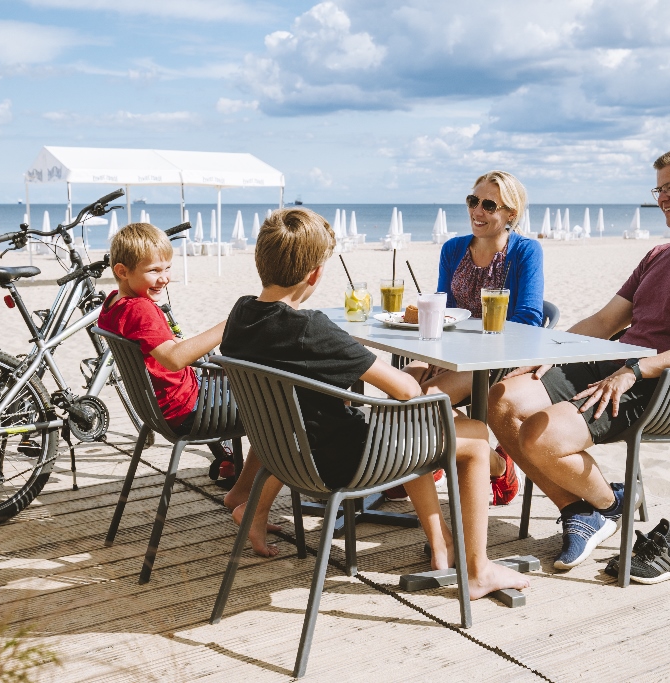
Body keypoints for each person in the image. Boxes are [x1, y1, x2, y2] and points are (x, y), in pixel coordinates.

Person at [220, 207, 529, 598]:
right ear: (315, 274)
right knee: (474, 434)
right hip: (341, 465)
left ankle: (442, 543)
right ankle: (479, 569)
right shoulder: (310, 329)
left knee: (404, 425)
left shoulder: (240, 313)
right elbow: (404, 390)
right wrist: (418, 381)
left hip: (287, 455)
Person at [487, 147, 670, 573]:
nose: (662, 198)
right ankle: (594, 506)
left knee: (540, 434)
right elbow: (606, 320)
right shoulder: (658, 254)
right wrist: (549, 351)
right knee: (502, 398)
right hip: (616, 364)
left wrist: (635, 370)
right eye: (659, 188)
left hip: (665, 385)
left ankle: (606, 502)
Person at [398, 171, 545, 506]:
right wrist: (430, 353)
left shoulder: (525, 252)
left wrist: (458, 343)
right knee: (400, 388)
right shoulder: (453, 249)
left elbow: (529, 319)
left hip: (497, 356)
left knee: (425, 400)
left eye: (488, 204)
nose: (477, 210)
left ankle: (497, 465)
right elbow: (444, 309)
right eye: (473, 201)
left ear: (510, 213)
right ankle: (431, 459)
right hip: (447, 350)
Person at [97, 222, 239, 513]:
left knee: (244, 385)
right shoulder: (141, 309)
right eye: (154, 271)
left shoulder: (114, 303)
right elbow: (174, 359)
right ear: (123, 271)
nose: (164, 279)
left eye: (167, 269)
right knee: (276, 406)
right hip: (186, 410)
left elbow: (155, 346)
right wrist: (229, 325)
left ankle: (236, 471)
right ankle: (249, 493)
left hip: (161, 408)